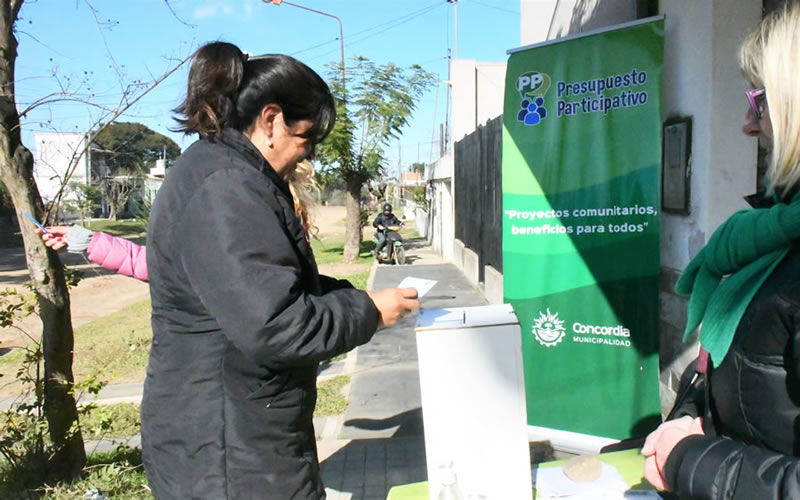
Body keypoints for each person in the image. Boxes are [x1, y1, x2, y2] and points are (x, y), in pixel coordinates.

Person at [132, 42, 418, 499]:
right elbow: (275, 324)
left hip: (233, 431)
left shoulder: (226, 173)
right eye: (304, 139)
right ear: (270, 121)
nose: (307, 157)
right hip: (227, 450)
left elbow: (271, 282)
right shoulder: (226, 187)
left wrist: (350, 297)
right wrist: (366, 311)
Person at [642, 6, 800, 498]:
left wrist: (688, 458)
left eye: (760, 101)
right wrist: (691, 416)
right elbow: (746, 371)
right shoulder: (772, 238)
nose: (748, 126)